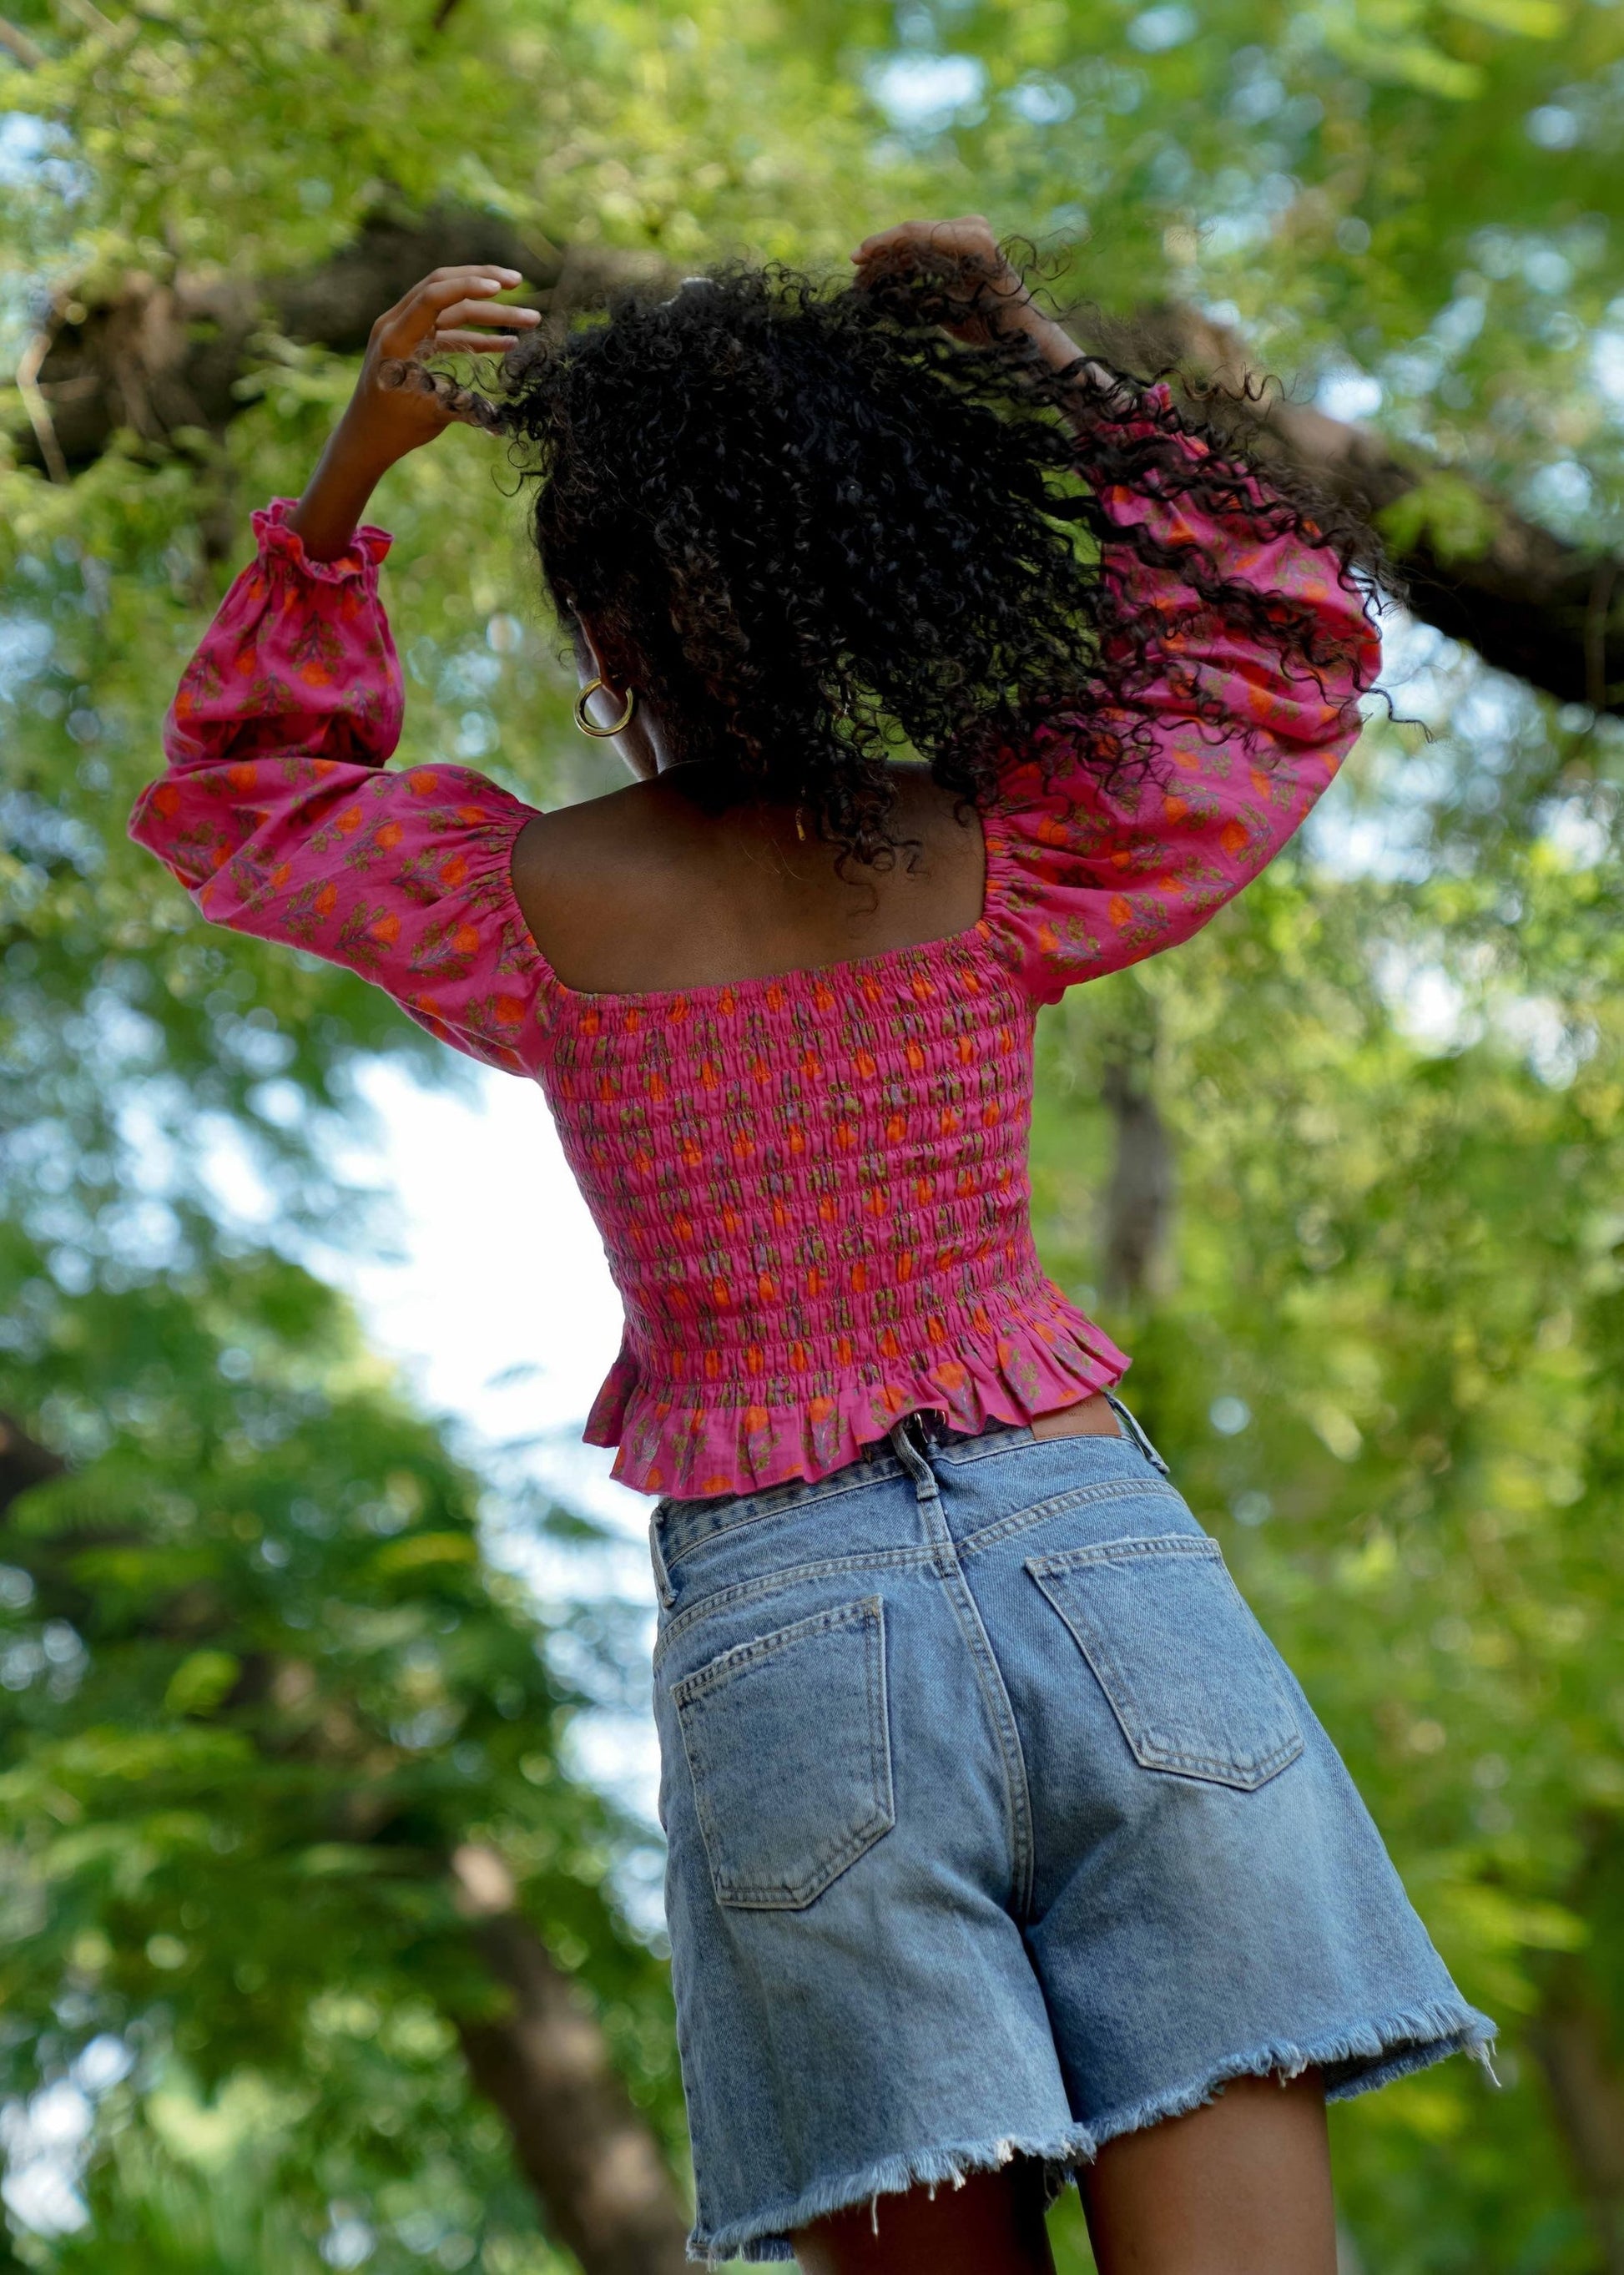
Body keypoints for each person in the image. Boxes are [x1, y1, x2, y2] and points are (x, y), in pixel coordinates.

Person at [130, 217, 1493, 2275]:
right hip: (1105, 1574)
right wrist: (1037, 364)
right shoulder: (1003, 843)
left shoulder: (526, 905)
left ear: (605, 631)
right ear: (859, 586)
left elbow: (244, 794)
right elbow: (1279, 644)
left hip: (788, 1633)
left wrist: (351, 482)